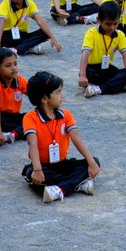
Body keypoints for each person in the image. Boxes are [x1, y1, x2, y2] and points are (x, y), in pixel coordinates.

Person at [22, 71, 101, 201]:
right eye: (58, 92)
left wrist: (91, 162)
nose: (62, 95)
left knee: (94, 161)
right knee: (30, 173)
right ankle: (79, 183)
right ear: (44, 98)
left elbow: (76, 138)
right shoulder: (30, 118)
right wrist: (37, 169)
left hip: (63, 164)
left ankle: (60, 189)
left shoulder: (66, 115)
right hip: (43, 166)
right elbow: (32, 144)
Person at [0, 48, 29, 145]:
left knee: (33, 118)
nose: (13, 68)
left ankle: (11, 135)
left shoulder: (20, 81)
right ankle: (5, 133)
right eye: (8, 65)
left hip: (14, 117)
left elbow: (34, 95)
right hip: (0, 117)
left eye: (15, 64)